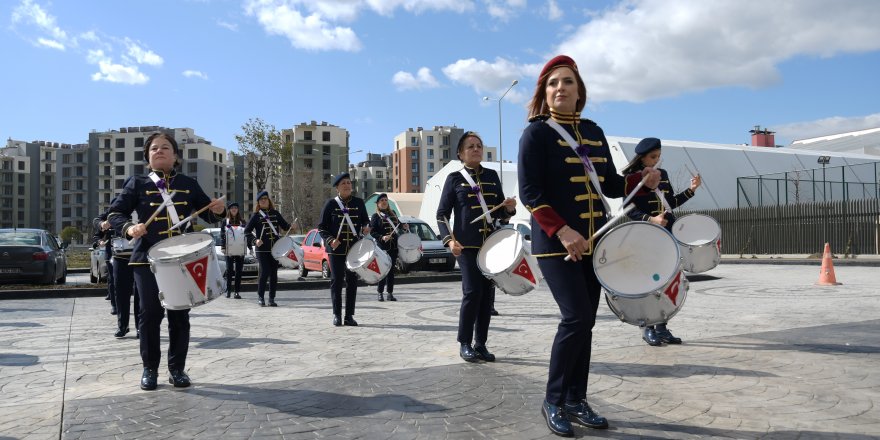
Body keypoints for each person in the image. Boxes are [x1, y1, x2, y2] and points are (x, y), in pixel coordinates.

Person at [517, 55, 660, 436]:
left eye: (567, 82)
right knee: (576, 316)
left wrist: (641, 180)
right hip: (557, 245)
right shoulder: (536, 134)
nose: (559, 88)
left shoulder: (594, 131)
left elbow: (611, 185)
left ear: (579, 90)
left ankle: (576, 400)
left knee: (587, 323)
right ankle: (553, 399)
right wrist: (563, 231)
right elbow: (530, 192)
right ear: (544, 93)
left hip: (595, 242)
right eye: (552, 83)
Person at [108, 132, 226, 391]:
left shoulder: (188, 183)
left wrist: (219, 210)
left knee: (179, 315)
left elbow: (210, 213)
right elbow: (115, 213)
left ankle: (177, 369)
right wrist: (129, 228)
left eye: (164, 147)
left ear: (175, 156)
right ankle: (149, 368)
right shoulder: (136, 183)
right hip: (146, 260)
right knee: (149, 314)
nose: (159, 151)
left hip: (179, 259)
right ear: (148, 157)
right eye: (153, 149)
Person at [437, 132, 516, 363]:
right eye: (470, 146)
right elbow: (442, 214)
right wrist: (449, 240)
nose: (476, 149)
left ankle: (480, 343)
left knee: (486, 296)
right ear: (460, 153)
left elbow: (500, 212)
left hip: (491, 246)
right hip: (466, 246)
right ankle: (464, 342)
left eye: (479, 146)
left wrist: (509, 208)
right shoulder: (454, 178)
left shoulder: (492, 175)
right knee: (472, 292)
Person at [622, 137, 702, 346]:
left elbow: (670, 202)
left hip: (668, 233)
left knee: (668, 281)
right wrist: (651, 219)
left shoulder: (663, 175)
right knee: (649, 283)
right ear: (642, 158)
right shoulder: (631, 177)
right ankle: (647, 327)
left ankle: (662, 327)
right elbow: (627, 209)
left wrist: (691, 189)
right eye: (653, 157)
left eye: (659, 156)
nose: (657, 160)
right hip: (646, 234)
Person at [318, 173, 370, 327]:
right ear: (337, 188)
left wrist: (367, 227)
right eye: (344, 183)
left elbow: (365, 220)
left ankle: (349, 316)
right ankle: (337, 315)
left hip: (354, 249)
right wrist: (330, 240)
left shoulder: (359, 202)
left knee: (352, 282)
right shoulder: (330, 204)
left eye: (349, 183)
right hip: (336, 250)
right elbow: (321, 227)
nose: (347, 185)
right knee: (336, 280)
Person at [244, 191, 290, 307]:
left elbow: (285, 226)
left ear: (268, 200)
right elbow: (247, 231)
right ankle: (260, 297)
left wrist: (291, 227)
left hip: (275, 249)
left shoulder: (275, 213)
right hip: (262, 250)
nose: (264, 200)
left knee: (274, 274)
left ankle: (271, 298)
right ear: (258, 203)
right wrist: (255, 241)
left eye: (265, 198)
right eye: (261, 199)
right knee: (264, 272)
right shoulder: (256, 216)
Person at [369, 193, 407, 302]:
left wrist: (404, 227)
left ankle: (390, 293)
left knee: (391, 271)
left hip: (393, 247)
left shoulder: (393, 213)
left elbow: (398, 225)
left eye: (386, 200)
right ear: (378, 204)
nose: (384, 202)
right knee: (382, 270)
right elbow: (372, 232)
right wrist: (382, 237)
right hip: (382, 248)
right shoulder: (376, 216)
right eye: (382, 200)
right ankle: (380, 293)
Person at [221, 202, 250, 300]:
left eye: (235, 208)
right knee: (229, 270)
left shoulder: (243, 221)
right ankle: (228, 290)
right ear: (229, 210)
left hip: (240, 249)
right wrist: (223, 247)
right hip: (229, 249)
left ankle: (237, 292)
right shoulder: (225, 221)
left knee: (238, 271)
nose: (234, 209)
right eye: (232, 208)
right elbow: (222, 235)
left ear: (238, 210)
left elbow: (247, 235)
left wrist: (249, 247)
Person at [92, 214, 116, 315]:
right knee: (113, 278)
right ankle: (114, 305)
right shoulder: (110, 214)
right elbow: (96, 222)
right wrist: (100, 241)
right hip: (111, 253)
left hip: (130, 253)